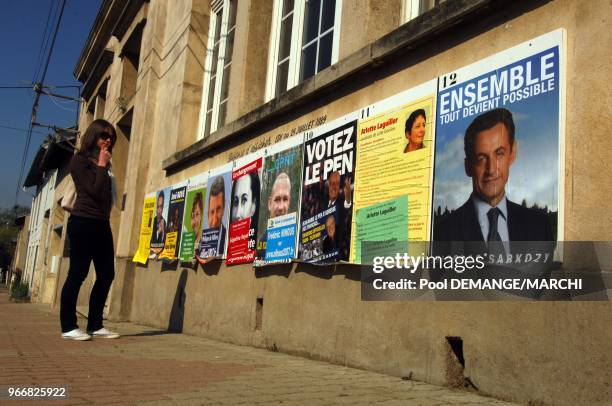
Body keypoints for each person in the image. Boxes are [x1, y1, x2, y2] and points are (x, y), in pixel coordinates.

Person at [434, 108, 554, 249]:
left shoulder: (540, 226)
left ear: (513, 152)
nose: (491, 169)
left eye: (499, 153)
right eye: (481, 158)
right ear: (468, 167)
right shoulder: (442, 234)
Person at [59, 119, 120, 341]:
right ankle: (68, 327)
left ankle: (95, 324)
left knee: (106, 274)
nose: (108, 140)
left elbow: (106, 197)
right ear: (93, 135)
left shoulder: (107, 165)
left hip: (101, 223)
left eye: (112, 137)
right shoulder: (79, 161)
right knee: (78, 273)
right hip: (83, 221)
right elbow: (93, 191)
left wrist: (104, 166)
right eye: (104, 135)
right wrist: (102, 165)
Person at [325, 171, 352, 260]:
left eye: (337, 184)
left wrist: (348, 196)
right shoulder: (322, 203)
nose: (334, 187)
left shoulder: (340, 201)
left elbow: (347, 205)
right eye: (332, 183)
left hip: (340, 253)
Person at [150, 191, 166, 256]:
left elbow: (163, 242)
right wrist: (158, 232)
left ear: (163, 209)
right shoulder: (152, 221)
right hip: (152, 253)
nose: (159, 210)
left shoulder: (164, 222)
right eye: (158, 206)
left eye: (161, 207)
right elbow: (151, 240)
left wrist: (162, 234)